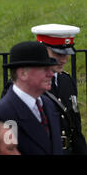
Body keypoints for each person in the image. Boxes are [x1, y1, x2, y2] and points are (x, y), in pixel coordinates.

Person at [0, 41, 63, 155]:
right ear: (23, 74)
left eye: (50, 69)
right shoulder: (1, 115)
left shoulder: (49, 105)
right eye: (44, 69)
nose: (51, 74)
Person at [31, 24, 87, 154]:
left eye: (67, 53)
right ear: (41, 50)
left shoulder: (66, 80)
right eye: (58, 54)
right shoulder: (25, 86)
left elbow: (76, 129)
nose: (64, 59)